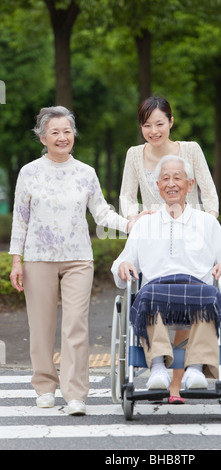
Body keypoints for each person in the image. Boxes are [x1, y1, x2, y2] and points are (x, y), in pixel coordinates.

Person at [9, 106, 144, 416]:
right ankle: (44, 386)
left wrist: (130, 223)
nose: (62, 137)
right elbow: (21, 219)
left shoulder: (85, 172)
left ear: (74, 135)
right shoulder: (29, 172)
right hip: (39, 259)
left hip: (78, 259)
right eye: (54, 132)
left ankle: (75, 394)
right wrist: (17, 260)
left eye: (67, 131)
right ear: (42, 137)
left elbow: (101, 212)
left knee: (76, 327)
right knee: (41, 326)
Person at [112, 155, 221, 392]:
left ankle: (194, 368)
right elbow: (124, 261)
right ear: (158, 186)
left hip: (197, 292)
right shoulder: (144, 224)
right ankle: (158, 366)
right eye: (165, 179)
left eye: (177, 178)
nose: (171, 183)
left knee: (211, 298)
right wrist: (122, 266)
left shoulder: (207, 222)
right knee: (146, 297)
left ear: (190, 185)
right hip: (155, 291)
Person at [119, 95, 219, 402]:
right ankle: (165, 375)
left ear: (171, 122)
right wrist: (135, 218)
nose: (154, 130)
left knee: (194, 289)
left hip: (190, 230)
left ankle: (186, 376)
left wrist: (202, 224)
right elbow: (126, 197)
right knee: (155, 290)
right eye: (147, 125)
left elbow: (209, 194)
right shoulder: (135, 155)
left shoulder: (190, 150)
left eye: (159, 123)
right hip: (152, 232)